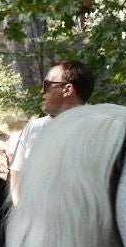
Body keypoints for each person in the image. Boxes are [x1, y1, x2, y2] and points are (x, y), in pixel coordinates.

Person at [8, 60, 94, 205]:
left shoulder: (94, 133)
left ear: (67, 90)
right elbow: (17, 172)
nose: (42, 91)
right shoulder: (33, 128)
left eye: (47, 85)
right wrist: (21, 208)